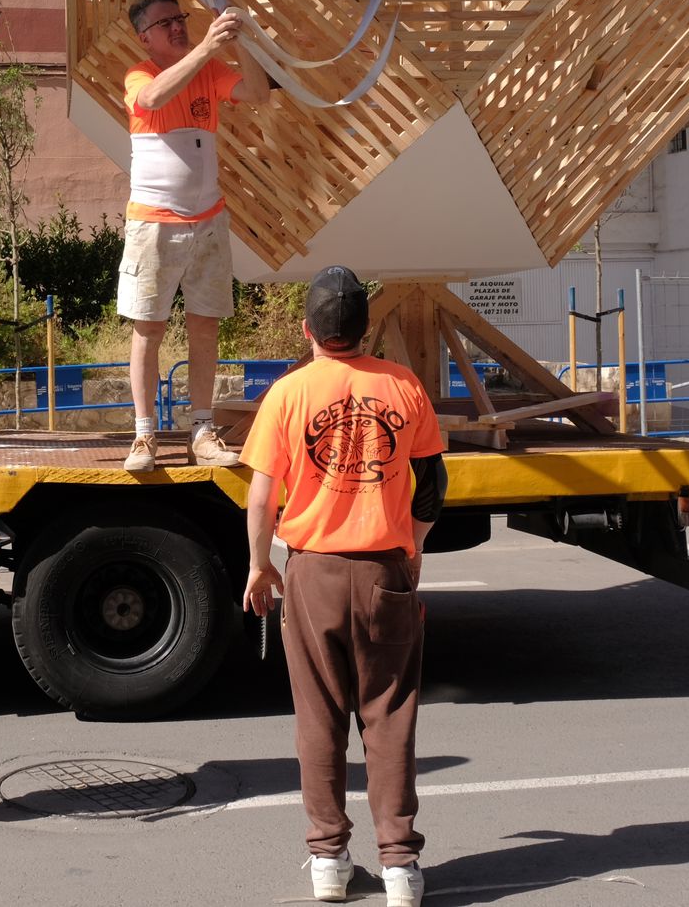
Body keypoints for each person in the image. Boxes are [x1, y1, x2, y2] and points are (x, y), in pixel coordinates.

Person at [240, 266, 447, 907]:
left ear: (307, 330)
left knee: (319, 718)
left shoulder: (288, 394)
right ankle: (400, 867)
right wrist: (412, 550)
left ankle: (329, 858)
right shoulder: (403, 384)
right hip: (384, 567)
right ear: (366, 327)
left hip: (312, 571)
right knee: (389, 717)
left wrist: (259, 565)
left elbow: (262, 493)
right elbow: (433, 484)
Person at [118, 0, 268, 472]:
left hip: (208, 218)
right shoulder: (140, 73)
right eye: (167, 23)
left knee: (205, 326)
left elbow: (258, 93)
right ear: (145, 38)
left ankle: (201, 431)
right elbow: (153, 97)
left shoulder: (209, 70)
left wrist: (238, 39)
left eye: (180, 18)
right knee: (149, 328)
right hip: (155, 220)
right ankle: (144, 435)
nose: (179, 26)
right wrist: (208, 45)